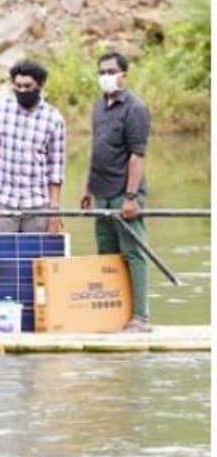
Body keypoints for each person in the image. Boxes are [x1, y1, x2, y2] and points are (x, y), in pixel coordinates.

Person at [82, 51, 152, 333]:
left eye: (110, 71)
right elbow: (96, 149)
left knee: (134, 253)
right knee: (107, 254)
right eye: (101, 72)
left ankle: (140, 316)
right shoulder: (99, 107)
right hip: (101, 191)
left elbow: (137, 155)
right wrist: (88, 187)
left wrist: (131, 197)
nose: (105, 77)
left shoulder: (135, 108)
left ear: (124, 74)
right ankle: (113, 311)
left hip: (124, 193)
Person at [0, 60, 66, 234]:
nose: (22, 91)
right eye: (18, 86)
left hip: (37, 203)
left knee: (34, 258)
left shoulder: (53, 119)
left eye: (28, 86)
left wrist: (54, 212)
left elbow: (55, 170)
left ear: (39, 85)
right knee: (3, 257)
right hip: (3, 199)